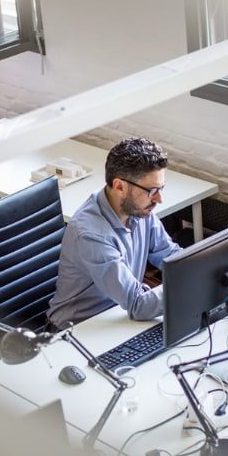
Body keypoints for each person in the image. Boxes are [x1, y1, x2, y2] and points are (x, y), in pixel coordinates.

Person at [47, 137, 181, 329]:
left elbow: (170, 256)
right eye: (152, 191)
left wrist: (200, 269)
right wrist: (190, 287)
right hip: (77, 331)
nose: (159, 199)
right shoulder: (91, 234)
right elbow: (137, 304)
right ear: (119, 186)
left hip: (117, 316)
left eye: (161, 188)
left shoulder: (140, 210)